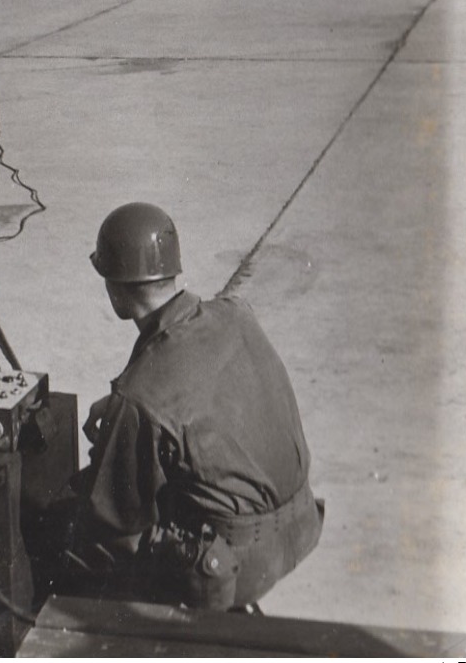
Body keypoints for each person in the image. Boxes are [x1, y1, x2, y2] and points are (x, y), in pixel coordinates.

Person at [64, 202, 323, 611]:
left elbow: (113, 520)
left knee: (83, 536)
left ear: (114, 287)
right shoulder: (235, 313)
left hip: (235, 564)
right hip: (302, 523)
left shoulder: (139, 395)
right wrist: (124, 412)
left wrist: (123, 421)